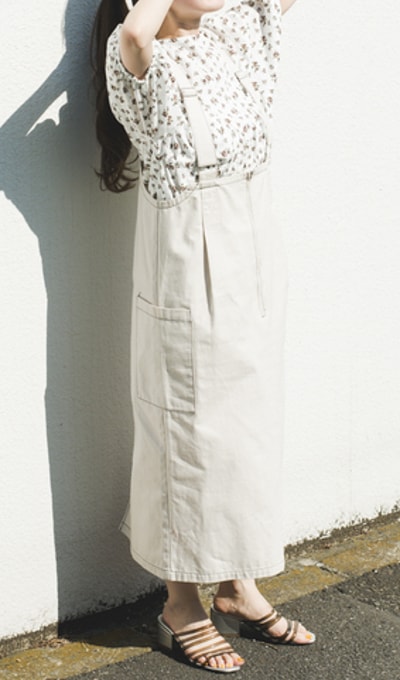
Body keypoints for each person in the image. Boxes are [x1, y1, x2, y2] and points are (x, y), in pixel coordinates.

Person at [91, 0, 315, 673]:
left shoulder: (233, 31)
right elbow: (137, 30)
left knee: (246, 425)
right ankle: (180, 604)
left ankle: (237, 585)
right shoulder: (138, 56)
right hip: (189, 255)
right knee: (185, 427)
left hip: (253, 245)